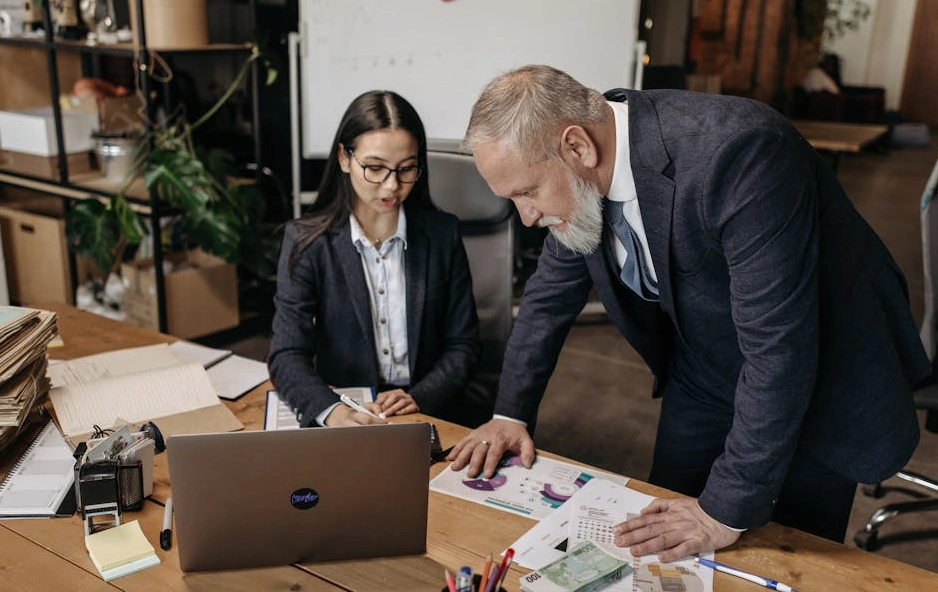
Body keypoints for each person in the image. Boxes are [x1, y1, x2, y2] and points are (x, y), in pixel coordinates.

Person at [447, 65, 930, 560]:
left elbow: (778, 349)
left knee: (785, 553)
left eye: (527, 193)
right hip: (706, 367)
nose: (527, 217)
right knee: (663, 532)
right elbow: (547, 298)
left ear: (577, 147)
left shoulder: (740, 153)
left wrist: (723, 511)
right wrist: (509, 415)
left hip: (818, 379)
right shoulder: (579, 176)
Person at [268, 90, 482, 427]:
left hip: (425, 407)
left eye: (406, 169)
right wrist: (331, 411)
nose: (391, 186)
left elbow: (464, 344)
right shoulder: (307, 243)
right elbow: (287, 354)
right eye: (375, 168)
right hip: (347, 407)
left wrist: (421, 396)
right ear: (344, 158)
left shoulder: (442, 235)